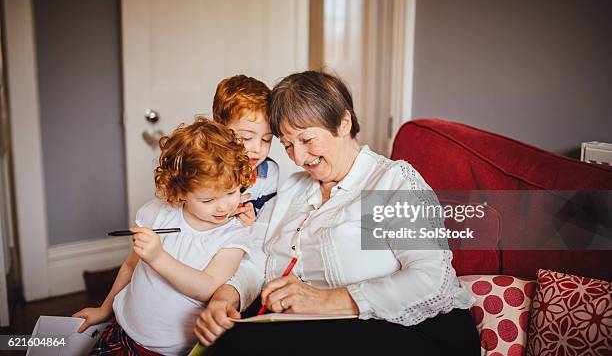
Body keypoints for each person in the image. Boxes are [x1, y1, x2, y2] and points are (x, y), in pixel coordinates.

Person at [193, 71, 480, 355]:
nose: (299, 158)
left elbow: (432, 279)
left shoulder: (390, 182)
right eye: (288, 145)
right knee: (232, 341)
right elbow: (257, 259)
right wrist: (224, 298)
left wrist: (324, 301)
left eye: (307, 140)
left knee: (247, 346)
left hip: (414, 330)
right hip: (323, 328)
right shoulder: (293, 189)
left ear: (344, 123)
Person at [74, 117, 254, 356]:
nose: (223, 207)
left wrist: (158, 257)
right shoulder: (157, 213)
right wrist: (105, 309)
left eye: (231, 192)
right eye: (208, 200)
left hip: (167, 351)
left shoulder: (233, 235)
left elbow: (208, 286)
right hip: (121, 330)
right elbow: (130, 265)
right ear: (181, 191)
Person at [213, 75, 279, 217]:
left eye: (266, 139)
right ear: (220, 128)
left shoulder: (267, 173)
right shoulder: (204, 166)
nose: (257, 149)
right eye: (246, 138)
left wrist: (252, 218)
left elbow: (264, 220)